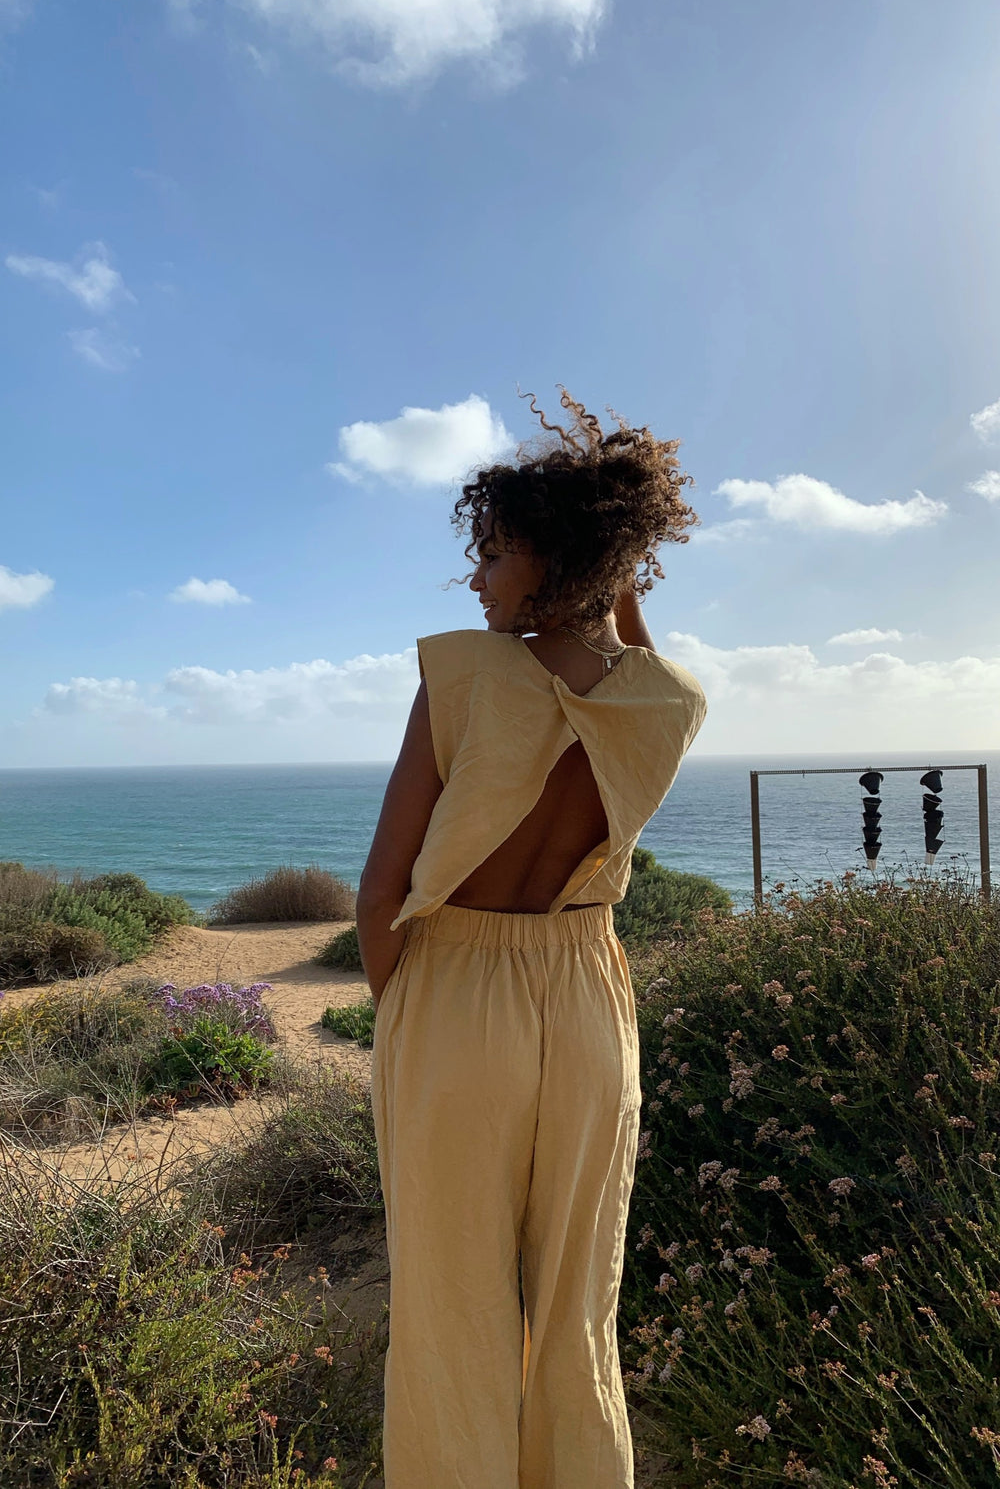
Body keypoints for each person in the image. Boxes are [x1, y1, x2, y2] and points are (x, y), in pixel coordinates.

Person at [356, 389, 708, 1489]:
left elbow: (380, 893)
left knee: (449, 1300)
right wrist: (614, 578)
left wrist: (405, 1012)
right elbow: (633, 666)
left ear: (555, 557)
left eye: (496, 553)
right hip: (588, 994)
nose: (477, 579)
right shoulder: (666, 704)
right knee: (578, 1299)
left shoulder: (462, 676)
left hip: (456, 989)